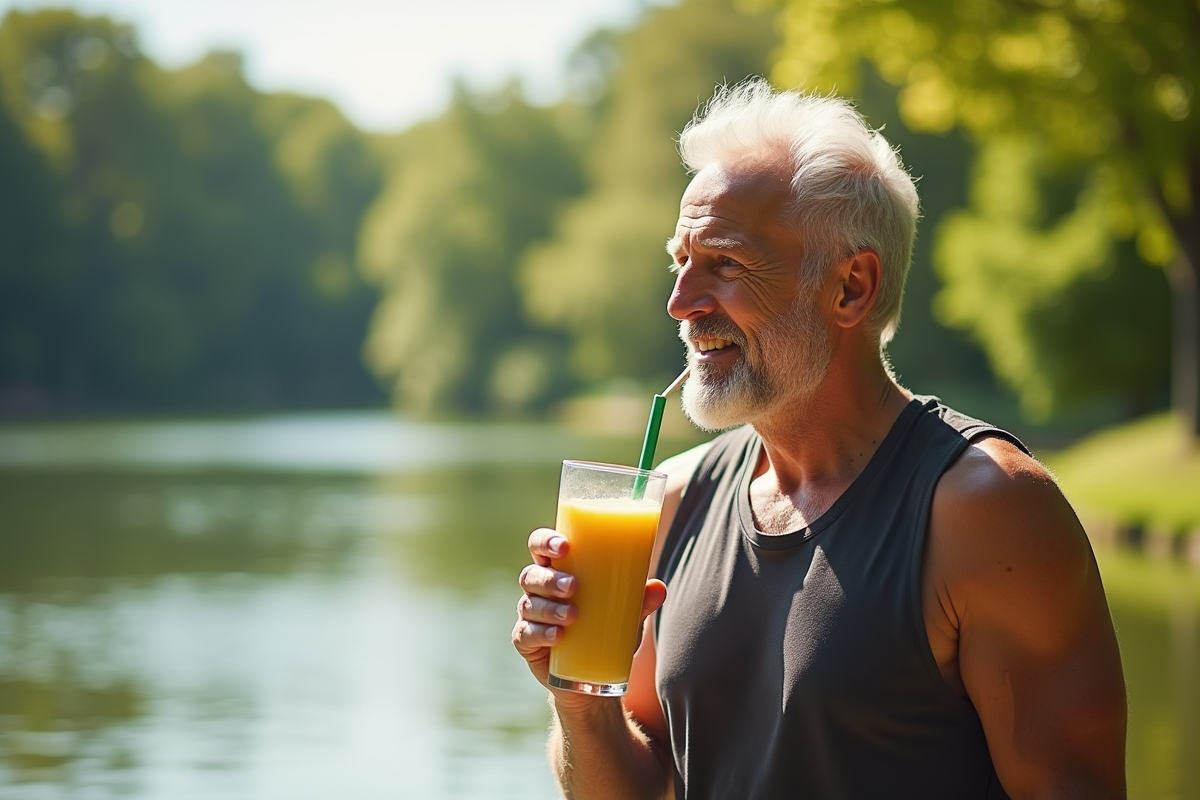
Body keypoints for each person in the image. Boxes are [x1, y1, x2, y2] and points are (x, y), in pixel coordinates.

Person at [512, 80, 1127, 800]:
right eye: (680, 260)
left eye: (726, 263)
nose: (680, 302)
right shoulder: (675, 499)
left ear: (850, 289)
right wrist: (582, 702)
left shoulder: (988, 512)